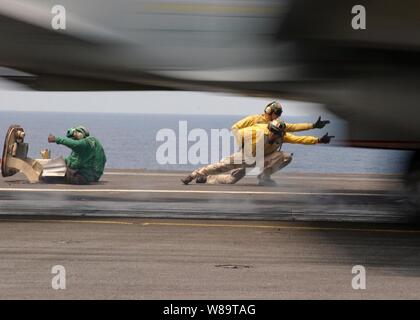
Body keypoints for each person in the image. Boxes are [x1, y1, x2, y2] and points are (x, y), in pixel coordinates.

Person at [181, 119, 334, 186]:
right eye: (273, 132)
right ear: (269, 129)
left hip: (263, 159)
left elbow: (298, 137)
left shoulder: (282, 136)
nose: (274, 135)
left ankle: (264, 177)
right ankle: (198, 176)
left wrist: (317, 138)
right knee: (227, 177)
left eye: (278, 133)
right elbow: (237, 131)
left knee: (286, 157)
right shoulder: (258, 131)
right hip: (245, 157)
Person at [231, 101, 330, 144]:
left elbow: (294, 129)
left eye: (280, 113)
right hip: (251, 149)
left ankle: (264, 177)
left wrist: (313, 126)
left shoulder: (277, 126)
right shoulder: (253, 119)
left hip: (266, 150)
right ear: (270, 111)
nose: (279, 115)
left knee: (283, 158)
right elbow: (235, 128)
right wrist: (244, 142)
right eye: (277, 113)